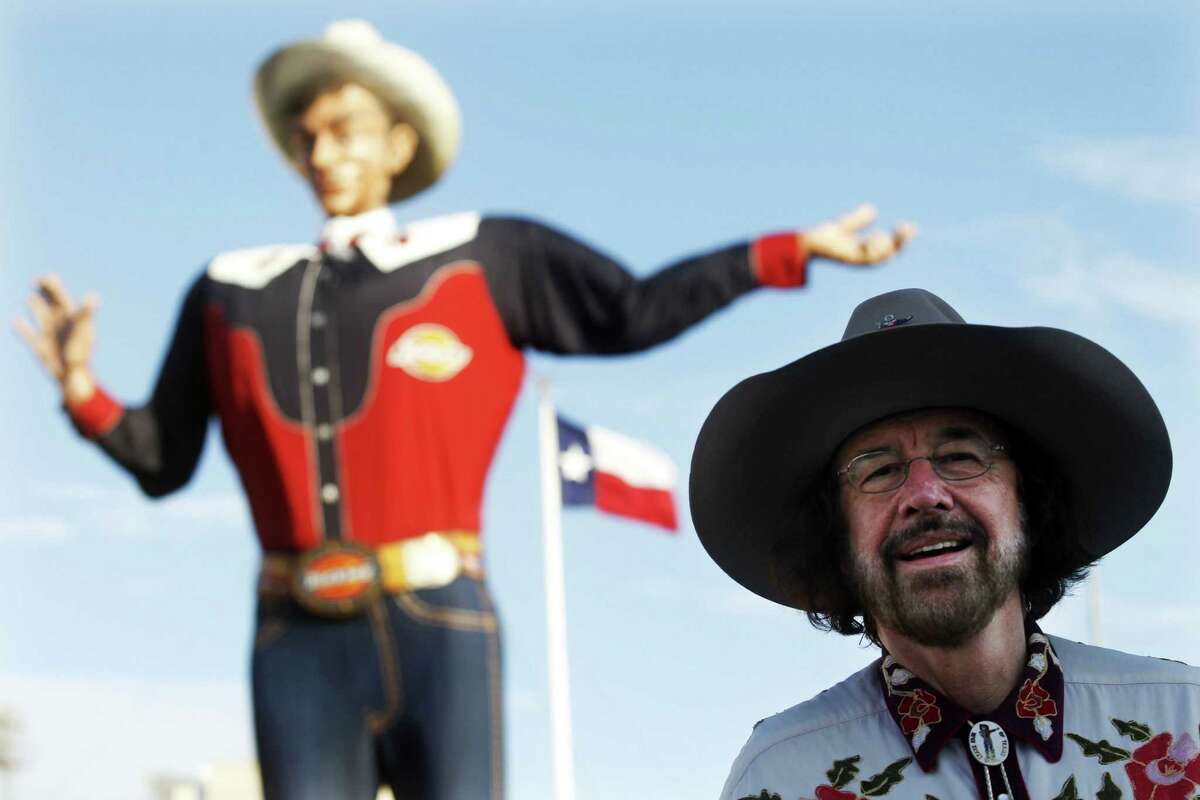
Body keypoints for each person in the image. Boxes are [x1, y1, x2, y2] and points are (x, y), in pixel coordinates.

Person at [12, 19, 915, 800]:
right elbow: (164, 462)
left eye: (346, 131)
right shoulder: (227, 291)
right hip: (293, 637)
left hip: (439, 618)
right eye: (307, 136)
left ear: (399, 145)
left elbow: (632, 309)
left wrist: (785, 252)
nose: (323, 153)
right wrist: (81, 391)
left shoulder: (486, 257)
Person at [690, 288, 1200, 800]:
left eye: (959, 456)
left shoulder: (1185, 718)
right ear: (838, 538)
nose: (925, 495)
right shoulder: (782, 776)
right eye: (879, 471)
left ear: (1026, 499)